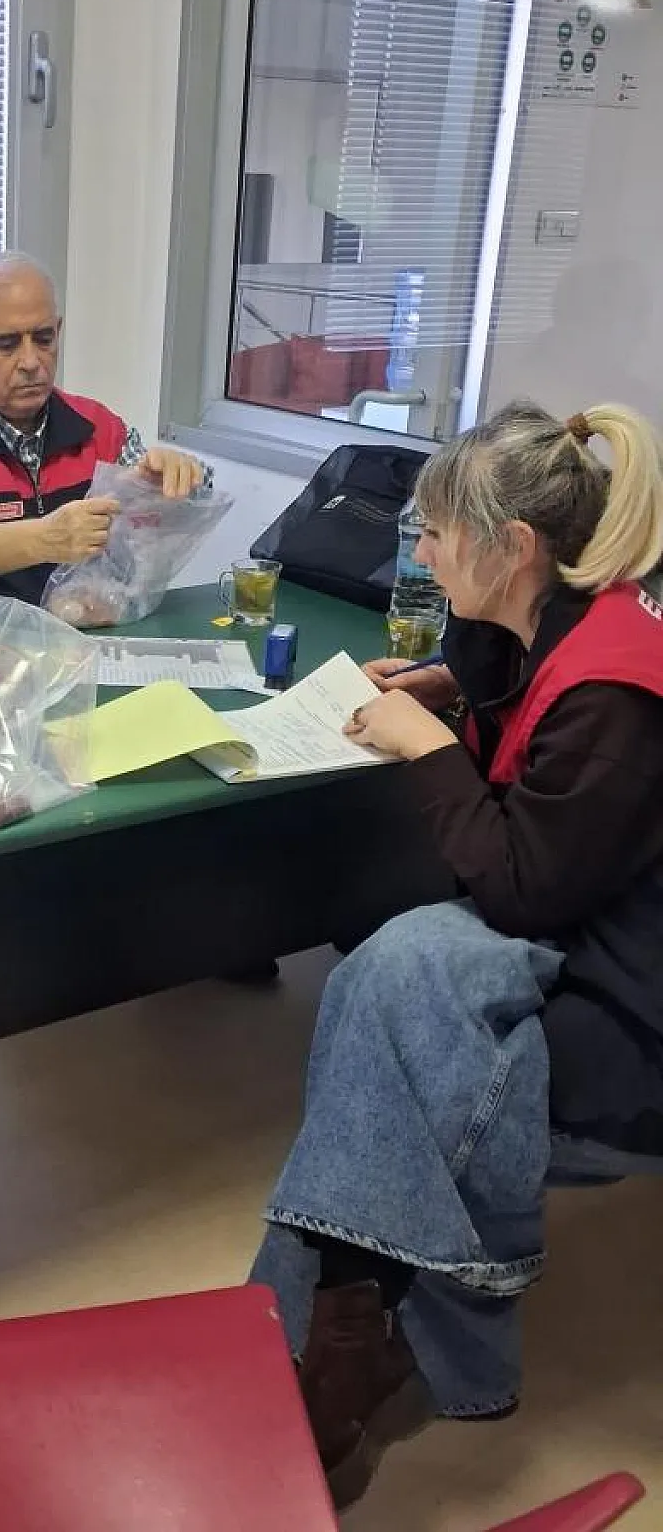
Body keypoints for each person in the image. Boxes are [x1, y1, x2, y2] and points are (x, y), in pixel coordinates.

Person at [249, 400, 663, 1510]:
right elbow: (530, 745)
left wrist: (428, 745)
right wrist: (449, 683)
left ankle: (329, 1346)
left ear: (511, 545)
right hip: (580, 929)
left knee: (394, 1007)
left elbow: (526, 888)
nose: (420, 554)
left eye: (434, 534)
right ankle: (349, 1341)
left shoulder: (620, 691)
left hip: (631, 1000)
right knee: (388, 977)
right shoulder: (557, 620)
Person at [0, 250, 209, 619]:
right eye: (7, 344)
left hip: (82, 635)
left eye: (44, 339)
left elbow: (182, 503)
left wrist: (164, 481)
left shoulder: (101, 430)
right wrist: (46, 538)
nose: (31, 362)